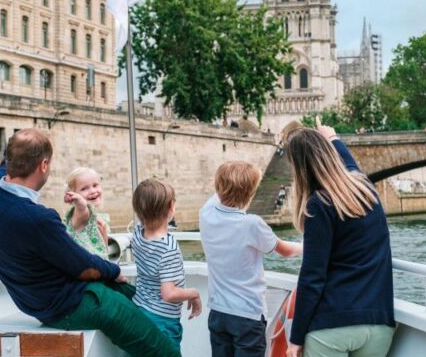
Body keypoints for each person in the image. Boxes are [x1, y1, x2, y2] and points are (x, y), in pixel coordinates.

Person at [0, 128, 180, 357]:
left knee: (134, 296)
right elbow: (85, 268)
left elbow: (6, 161)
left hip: (34, 299)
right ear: (44, 165)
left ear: (12, 160)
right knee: (153, 342)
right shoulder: (38, 218)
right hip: (65, 304)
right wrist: (114, 271)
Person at [285, 118, 395, 357]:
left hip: (332, 327)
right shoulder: (366, 190)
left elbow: (312, 277)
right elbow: (350, 166)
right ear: (329, 155)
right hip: (379, 324)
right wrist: (333, 138)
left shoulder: (319, 205)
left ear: (300, 169)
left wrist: (295, 338)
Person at [200, 161, 302, 357]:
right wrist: (308, 245)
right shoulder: (252, 224)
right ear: (252, 193)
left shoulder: (206, 214)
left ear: (218, 188)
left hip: (218, 312)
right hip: (247, 314)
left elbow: (218, 194)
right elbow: (286, 251)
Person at [131, 178, 202, 349]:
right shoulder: (168, 248)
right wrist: (194, 293)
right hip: (162, 321)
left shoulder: (138, 233)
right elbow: (169, 294)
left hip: (139, 310)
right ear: (171, 207)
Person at [64, 167, 110, 257]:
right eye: (84, 189)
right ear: (73, 194)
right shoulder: (78, 215)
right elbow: (82, 209)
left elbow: (104, 251)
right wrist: (79, 203)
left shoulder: (101, 218)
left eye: (95, 185)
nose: (92, 191)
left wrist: (104, 235)